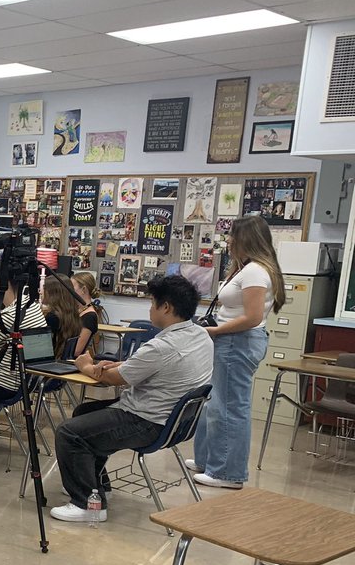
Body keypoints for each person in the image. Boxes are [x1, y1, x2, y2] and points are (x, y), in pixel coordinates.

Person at [51, 275, 213, 522]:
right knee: (84, 413)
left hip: (145, 421)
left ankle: (87, 504)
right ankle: (97, 486)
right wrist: (119, 364)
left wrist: (85, 365)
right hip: (173, 421)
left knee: (68, 432)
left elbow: (112, 380)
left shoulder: (162, 346)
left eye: (152, 303)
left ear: (166, 307)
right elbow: (146, 367)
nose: (149, 309)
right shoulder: (200, 335)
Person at [188, 215, 285, 489]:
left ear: (247, 240)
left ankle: (228, 473)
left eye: (233, 236)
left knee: (229, 407)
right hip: (231, 340)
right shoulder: (246, 268)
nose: (228, 241)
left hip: (237, 341)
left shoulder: (255, 271)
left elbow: (253, 317)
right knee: (215, 403)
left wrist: (216, 331)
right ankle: (208, 459)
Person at [0, 259, 50, 411]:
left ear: (4, 282)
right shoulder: (31, 306)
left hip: (1, 385)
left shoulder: (10, 315)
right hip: (23, 383)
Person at [44, 274, 98, 359]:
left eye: (71, 288)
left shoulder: (89, 316)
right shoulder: (74, 312)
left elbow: (76, 350)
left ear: (83, 289)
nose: (68, 290)